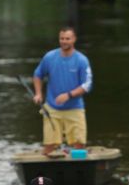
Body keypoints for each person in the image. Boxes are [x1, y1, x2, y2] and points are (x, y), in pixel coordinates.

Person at [32, 26, 93, 157]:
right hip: (52, 107)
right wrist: (38, 93)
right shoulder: (50, 57)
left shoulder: (81, 60)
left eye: (67, 38)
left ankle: (78, 168)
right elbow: (38, 75)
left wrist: (68, 95)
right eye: (62, 38)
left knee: (79, 144)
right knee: (49, 144)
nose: (64, 41)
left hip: (75, 107)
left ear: (74, 39)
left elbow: (87, 85)